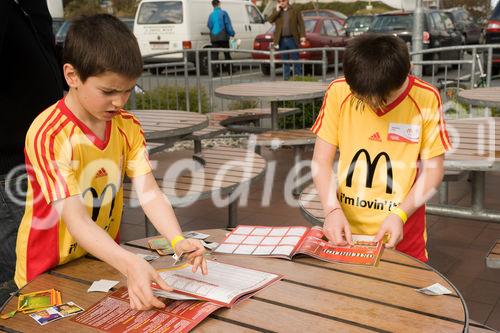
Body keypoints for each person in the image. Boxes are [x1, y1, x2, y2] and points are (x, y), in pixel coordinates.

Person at [14, 14, 207, 310]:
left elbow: (149, 192)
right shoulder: (49, 133)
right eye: (108, 91)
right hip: (45, 269)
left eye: (128, 90)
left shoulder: (127, 126)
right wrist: (130, 262)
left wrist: (177, 239)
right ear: (72, 76)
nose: (120, 102)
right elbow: (75, 219)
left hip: (102, 258)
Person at [311, 34, 451, 262]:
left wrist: (400, 214)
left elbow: (434, 169)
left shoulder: (425, 97)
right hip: (345, 231)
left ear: (408, 71)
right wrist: (332, 211)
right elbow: (321, 162)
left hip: (403, 228)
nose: (374, 104)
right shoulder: (338, 91)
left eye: (383, 97)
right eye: (364, 98)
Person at [0, 0, 64, 302]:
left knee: (50, 262)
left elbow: (46, 55)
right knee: (22, 281)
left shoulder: (33, 2)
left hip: (46, 156)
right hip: (10, 167)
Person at [267, 0, 306, 80]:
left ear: (287, 1)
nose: (281, 2)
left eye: (283, 1)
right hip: (281, 40)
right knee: (285, 61)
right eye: (279, 1)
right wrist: (277, 11)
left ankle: (298, 78)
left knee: (295, 59)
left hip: (292, 38)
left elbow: (301, 24)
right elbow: (270, 20)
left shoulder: (295, 9)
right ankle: (286, 79)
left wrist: (302, 36)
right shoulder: (277, 10)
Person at [207, 0, 235, 74]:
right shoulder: (223, 13)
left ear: (213, 5)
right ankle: (230, 71)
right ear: (219, 4)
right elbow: (227, 24)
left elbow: (209, 25)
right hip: (223, 37)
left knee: (215, 55)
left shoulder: (211, 15)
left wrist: (214, 31)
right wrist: (232, 33)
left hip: (214, 38)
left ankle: (214, 72)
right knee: (226, 54)